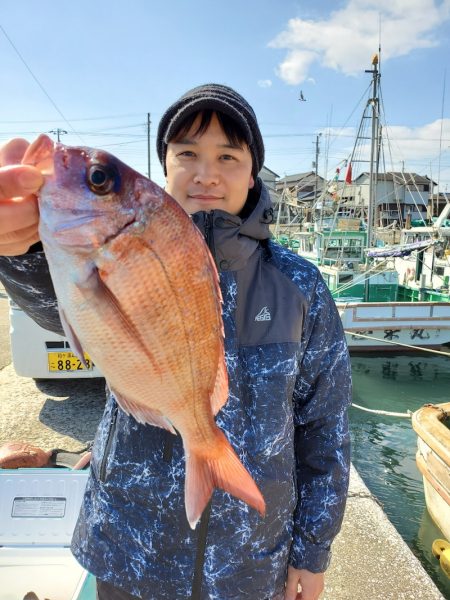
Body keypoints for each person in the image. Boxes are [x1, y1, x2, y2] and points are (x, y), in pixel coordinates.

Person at [0, 84, 351, 600]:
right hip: (128, 549)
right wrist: (20, 249)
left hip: (251, 563)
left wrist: (312, 552)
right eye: (187, 153)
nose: (206, 172)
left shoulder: (300, 287)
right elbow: (59, 307)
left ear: (253, 171)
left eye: (228, 156)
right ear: (163, 164)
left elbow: (326, 426)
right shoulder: (109, 244)